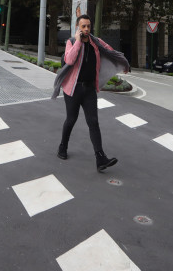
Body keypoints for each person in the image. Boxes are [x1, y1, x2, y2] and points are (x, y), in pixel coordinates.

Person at [52, 14, 130, 172]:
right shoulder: (71, 42)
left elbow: (111, 52)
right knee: (71, 119)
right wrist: (78, 41)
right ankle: (62, 146)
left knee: (93, 122)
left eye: (88, 26)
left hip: (89, 90)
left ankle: (100, 158)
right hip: (73, 89)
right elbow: (69, 60)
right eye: (83, 26)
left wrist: (124, 64)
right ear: (78, 28)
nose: (86, 29)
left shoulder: (96, 42)